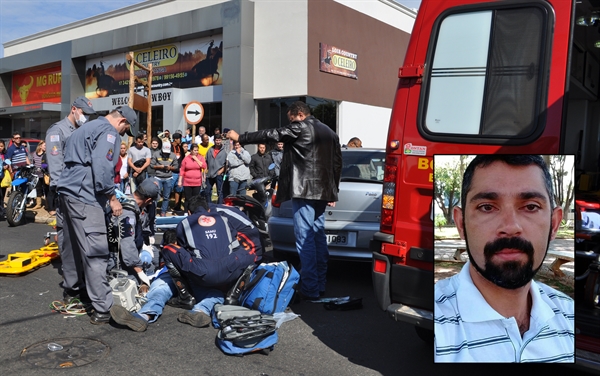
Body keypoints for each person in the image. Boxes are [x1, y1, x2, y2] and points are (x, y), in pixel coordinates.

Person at [433, 155, 574, 363]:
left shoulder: (570, 314)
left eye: (531, 206)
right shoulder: (435, 319)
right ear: (461, 224)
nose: (510, 227)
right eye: (487, 207)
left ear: (554, 224)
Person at [227, 101, 342, 300]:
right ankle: (319, 284)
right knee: (317, 237)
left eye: (290, 118)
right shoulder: (330, 132)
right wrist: (333, 191)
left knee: (305, 239)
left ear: (298, 114)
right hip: (322, 191)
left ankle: (310, 288)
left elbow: (272, 134)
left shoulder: (300, 126)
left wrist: (241, 138)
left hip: (304, 189)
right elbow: (337, 162)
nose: (289, 123)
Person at [110, 195, 260, 331]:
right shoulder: (225, 219)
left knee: (161, 288)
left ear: (188, 212)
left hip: (194, 275)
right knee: (215, 294)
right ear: (208, 208)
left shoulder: (186, 225)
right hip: (220, 275)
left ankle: (145, 315)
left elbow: (179, 251)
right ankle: (200, 311)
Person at [57, 105, 137, 324]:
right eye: (126, 130)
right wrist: (111, 198)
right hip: (86, 195)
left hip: (67, 193)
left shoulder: (85, 128)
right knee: (96, 251)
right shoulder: (109, 132)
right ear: (122, 122)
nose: (124, 135)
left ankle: (72, 291)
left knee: (72, 247)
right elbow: (102, 166)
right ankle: (102, 307)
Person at [107, 178, 161, 287]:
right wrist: (139, 271)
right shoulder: (128, 213)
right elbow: (127, 244)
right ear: (148, 199)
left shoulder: (127, 200)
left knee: (155, 256)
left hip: (128, 253)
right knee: (133, 285)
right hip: (118, 259)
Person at [151, 141, 178, 216]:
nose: (166, 154)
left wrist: (170, 168)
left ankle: (163, 211)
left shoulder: (173, 155)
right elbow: (152, 165)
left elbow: (176, 166)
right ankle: (153, 210)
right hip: (158, 177)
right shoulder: (156, 154)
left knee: (166, 196)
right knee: (156, 196)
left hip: (168, 178)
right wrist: (160, 167)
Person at [178, 143, 207, 213]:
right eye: (194, 150)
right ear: (191, 150)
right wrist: (180, 180)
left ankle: (194, 212)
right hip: (187, 182)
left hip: (197, 182)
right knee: (188, 198)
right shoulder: (186, 159)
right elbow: (182, 170)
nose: (196, 152)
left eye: (197, 150)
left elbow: (204, 166)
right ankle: (186, 212)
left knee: (195, 199)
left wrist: (196, 159)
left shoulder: (200, 158)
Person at [204, 135, 227, 204]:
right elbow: (206, 160)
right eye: (217, 140)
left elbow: (227, 163)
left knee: (219, 192)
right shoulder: (210, 149)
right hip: (210, 173)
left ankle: (219, 206)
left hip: (219, 174)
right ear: (214, 141)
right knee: (207, 191)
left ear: (221, 140)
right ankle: (209, 205)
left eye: (219, 140)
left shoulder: (225, 150)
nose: (218, 142)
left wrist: (221, 170)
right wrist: (206, 170)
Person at [30, 140, 48, 210]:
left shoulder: (46, 154)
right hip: (36, 175)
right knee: (38, 189)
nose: (45, 147)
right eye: (44, 146)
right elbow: (33, 163)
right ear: (40, 146)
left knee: (46, 189)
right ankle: (38, 204)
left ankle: (47, 204)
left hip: (44, 174)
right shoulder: (34, 154)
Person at [171, 132, 184, 213]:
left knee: (178, 189)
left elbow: (183, 159)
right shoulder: (170, 148)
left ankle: (177, 206)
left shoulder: (181, 148)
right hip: (171, 171)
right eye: (179, 139)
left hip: (180, 172)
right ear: (176, 139)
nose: (180, 140)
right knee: (168, 189)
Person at [0, 140, 9, 220]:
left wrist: (7, 165)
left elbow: (8, 162)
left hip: (3, 176)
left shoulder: (4, 155)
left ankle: (2, 211)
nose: (0, 148)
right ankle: (1, 211)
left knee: (2, 194)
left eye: (2, 146)